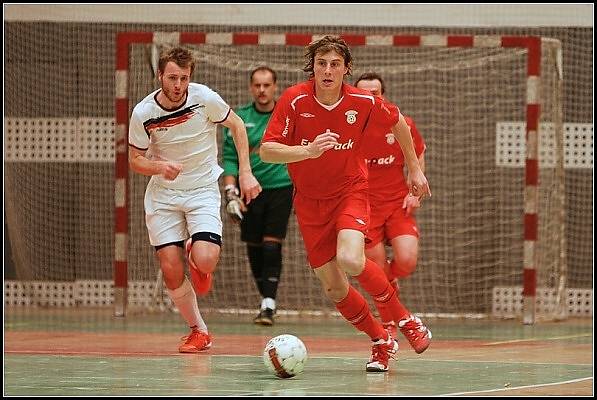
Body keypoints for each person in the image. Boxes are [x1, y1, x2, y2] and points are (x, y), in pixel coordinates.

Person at [260, 35, 432, 373]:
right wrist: (307, 151)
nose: (327, 71)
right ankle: (381, 341)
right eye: (321, 64)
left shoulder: (362, 101)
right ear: (313, 67)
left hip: (350, 192)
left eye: (335, 65)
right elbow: (267, 150)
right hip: (310, 203)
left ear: (346, 69)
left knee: (352, 259)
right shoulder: (294, 100)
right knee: (334, 286)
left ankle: (405, 318)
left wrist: (413, 167)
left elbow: (398, 122)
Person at [128, 46, 261, 353]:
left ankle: (194, 249)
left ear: (191, 77)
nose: (177, 85)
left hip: (201, 190)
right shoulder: (144, 113)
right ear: (160, 75)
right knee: (171, 268)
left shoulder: (205, 99)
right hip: (163, 194)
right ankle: (198, 330)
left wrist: (245, 172)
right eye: (171, 77)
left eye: (183, 78)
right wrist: (160, 166)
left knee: (205, 259)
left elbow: (237, 125)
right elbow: (135, 159)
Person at [355, 72, 427, 340]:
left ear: (382, 95)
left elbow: (418, 152)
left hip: (397, 203)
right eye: (365, 93)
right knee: (375, 269)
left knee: (406, 260)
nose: (371, 98)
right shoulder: (351, 126)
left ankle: (391, 284)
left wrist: (414, 191)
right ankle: (388, 325)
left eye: (375, 93)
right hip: (364, 207)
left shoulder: (400, 123)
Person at [222, 66, 294, 326]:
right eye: (257, 85)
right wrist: (230, 193)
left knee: (271, 244)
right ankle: (264, 297)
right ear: (251, 87)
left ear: (275, 87)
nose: (262, 90)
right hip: (249, 190)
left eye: (267, 85)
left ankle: (269, 303)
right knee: (253, 245)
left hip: (281, 187)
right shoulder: (240, 119)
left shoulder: (287, 116)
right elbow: (229, 159)